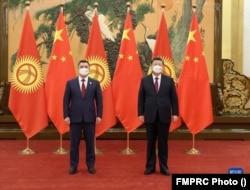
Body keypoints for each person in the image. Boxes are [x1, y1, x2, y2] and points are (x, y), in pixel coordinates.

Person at [138, 57, 179, 176]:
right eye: (155, 64)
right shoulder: (144, 80)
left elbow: (174, 98)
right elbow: (141, 98)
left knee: (163, 143)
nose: (157, 66)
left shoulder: (169, 80)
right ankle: (150, 167)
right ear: (151, 66)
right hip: (150, 115)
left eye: (160, 64)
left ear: (163, 66)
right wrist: (140, 113)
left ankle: (164, 167)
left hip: (164, 115)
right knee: (150, 142)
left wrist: (175, 113)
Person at [63, 60, 103, 175]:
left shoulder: (95, 83)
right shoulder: (71, 83)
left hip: (90, 118)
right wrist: (65, 115)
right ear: (78, 68)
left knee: (90, 144)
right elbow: (66, 101)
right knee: (74, 144)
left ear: (89, 69)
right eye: (82, 66)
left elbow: (99, 101)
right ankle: (73, 166)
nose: (84, 68)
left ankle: (90, 165)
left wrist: (99, 115)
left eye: (86, 66)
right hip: (74, 118)